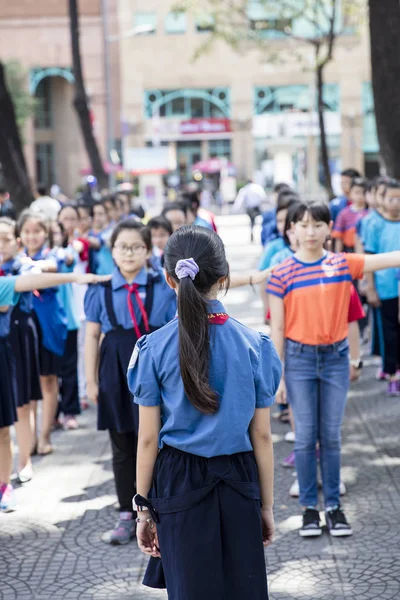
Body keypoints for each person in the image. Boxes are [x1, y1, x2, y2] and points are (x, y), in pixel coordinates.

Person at [128, 225, 281, 598]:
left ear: (168, 279)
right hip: (239, 476)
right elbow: (261, 435)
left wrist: (142, 507)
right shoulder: (256, 346)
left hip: (179, 479)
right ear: (224, 277)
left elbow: (148, 438)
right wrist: (267, 505)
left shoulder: (152, 349)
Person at [267, 200, 400, 537]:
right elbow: (277, 330)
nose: (310, 231)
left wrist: (354, 359)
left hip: (335, 359)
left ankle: (334, 508)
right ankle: (309, 509)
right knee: (305, 436)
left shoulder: (342, 264)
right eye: (303, 224)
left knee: (331, 435)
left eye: (317, 224)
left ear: (329, 229)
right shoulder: (281, 273)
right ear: (291, 230)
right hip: (297, 360)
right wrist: (278, 375)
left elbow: (385, 259)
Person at [84, 219, 177, 545]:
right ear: (112, 251)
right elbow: (92, 334)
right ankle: (128, 510)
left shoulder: (163, 286)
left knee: (158, 440)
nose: (129, 252)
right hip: (114, 368)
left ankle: (162, 507)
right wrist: (91, 381)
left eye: (137, 246)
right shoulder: (100, 288)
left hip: (156, 369)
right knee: (122, 443)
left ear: (149, 250)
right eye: (123, 246)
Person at [0, 270, 110, 512]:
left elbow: (30, 281)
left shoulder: (3, 285)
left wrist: (74, 277)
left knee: (2, 431)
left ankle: (4, 485)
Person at [17, 210, 67, 456]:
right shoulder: (14, 258)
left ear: (45, 233)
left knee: (48, 381)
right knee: (29, 385)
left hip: (49, 325)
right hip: (24, 326)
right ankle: (31, 437)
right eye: (26, 231)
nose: (32, 236)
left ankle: (45, 435)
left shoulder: (52, 254)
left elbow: (56, 265)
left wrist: (32, 265)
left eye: (37, 231)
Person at [363, 179, 400, 395]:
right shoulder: (375, 224)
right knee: (389, 333)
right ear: (382, 199)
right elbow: (368, 258)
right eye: (391, 198)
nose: (395, 203)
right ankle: (391, 374)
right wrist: (371, 287)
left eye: (399, 198)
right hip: (385, 289)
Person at [332, 177, 369, 253]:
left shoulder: (370, 214)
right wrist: (337, 255)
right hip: (348, 250)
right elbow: (339, 237)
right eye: (357, 192)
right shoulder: (344, 213)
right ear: (350, 193)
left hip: (366, 250)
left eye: (363, 193)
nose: (360, 196)